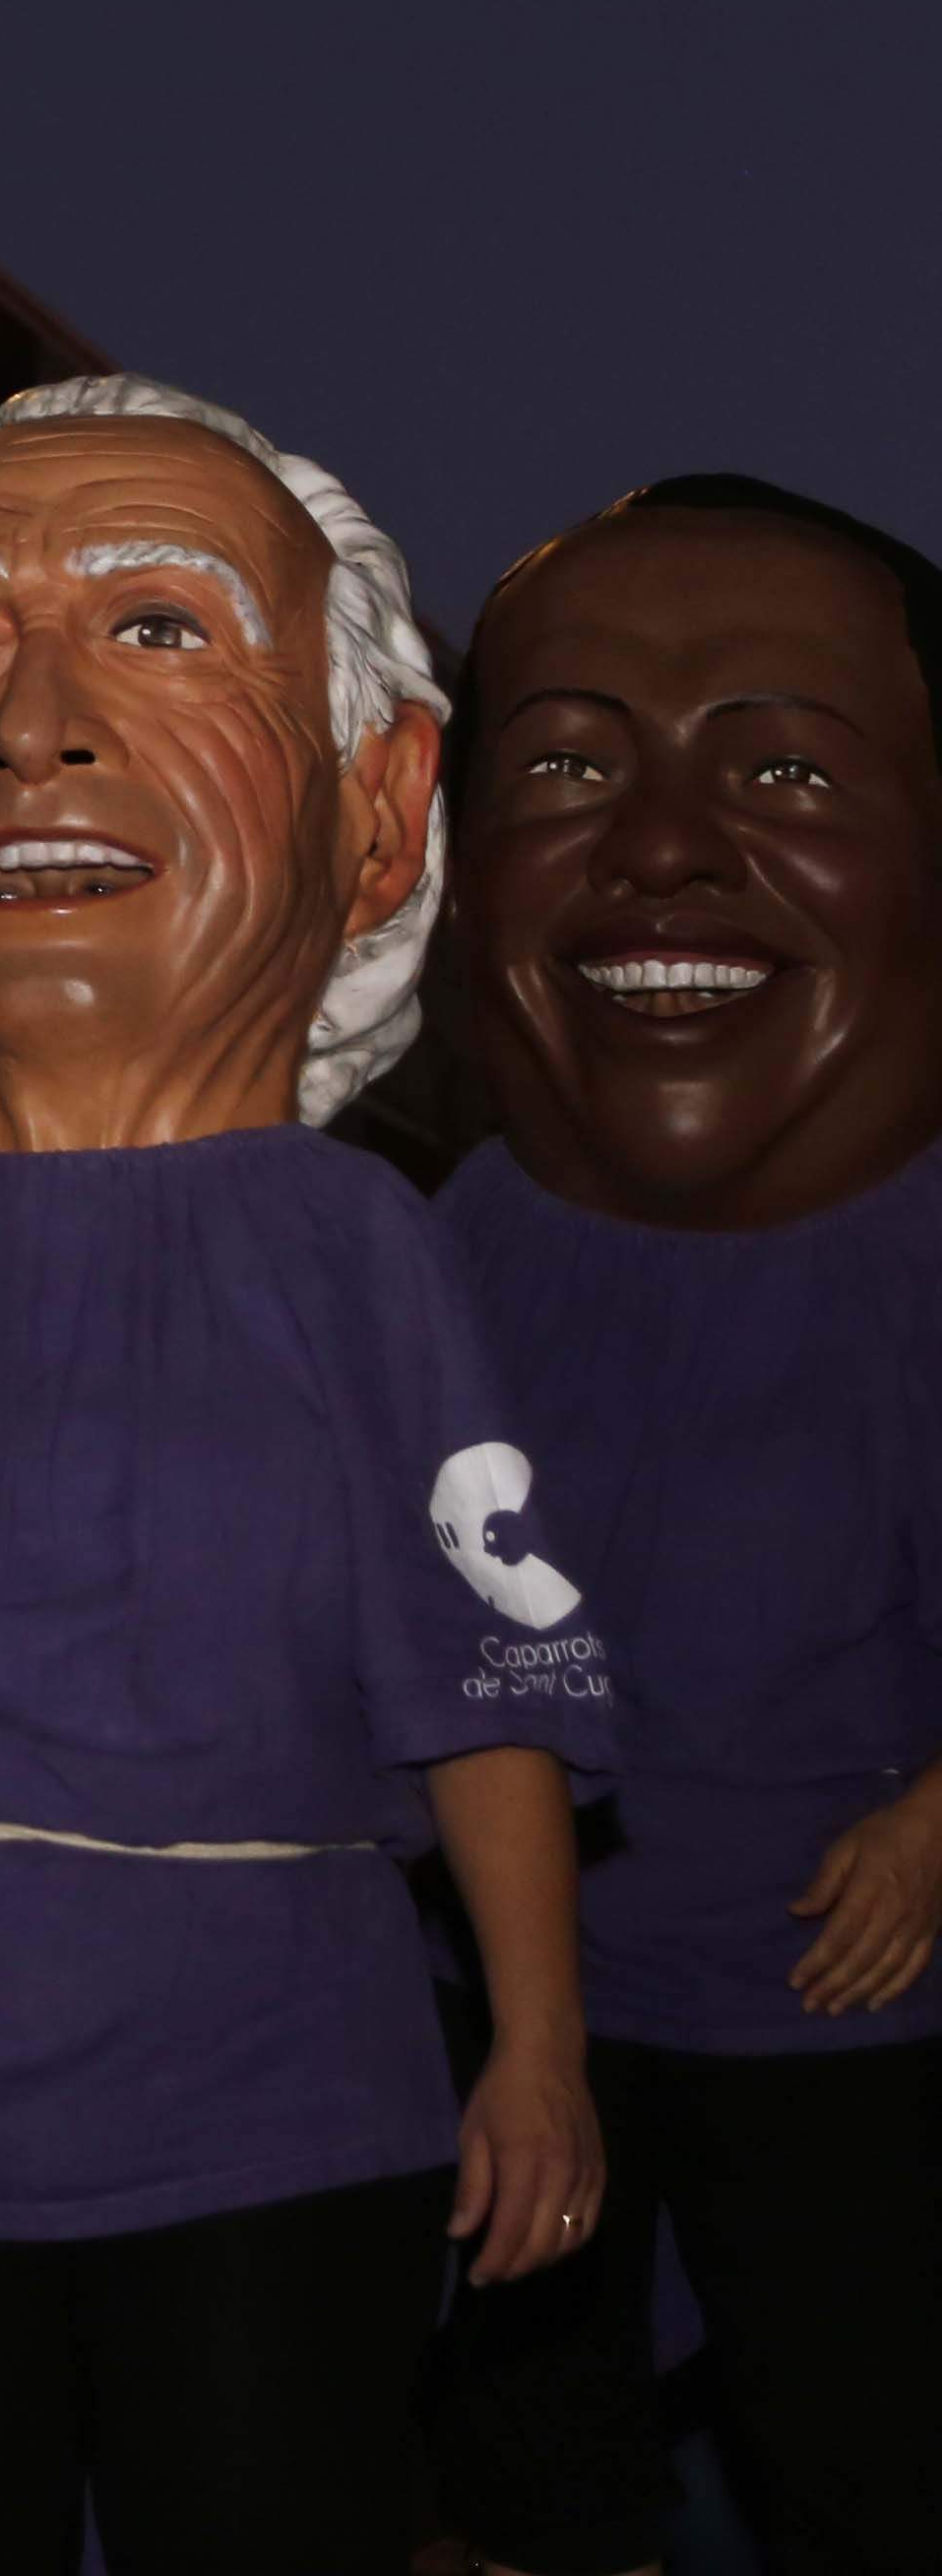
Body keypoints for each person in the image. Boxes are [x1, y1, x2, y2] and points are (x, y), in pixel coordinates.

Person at [0, 374, 608, 2576]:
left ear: (371, 816)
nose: (31, 728)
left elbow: (477, 1683)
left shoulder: (351, 1254)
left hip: (274, 2108)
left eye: (159, 629)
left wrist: (541, 2049)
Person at [420, 475, 942, 2576]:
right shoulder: (440, 1248)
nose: (656, 849)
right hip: (517, 2003)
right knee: (524, 2471)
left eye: (786, 766)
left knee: (864, 2462)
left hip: (842, 2016)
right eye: (563, 765)